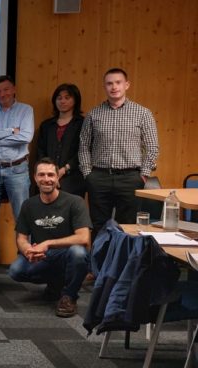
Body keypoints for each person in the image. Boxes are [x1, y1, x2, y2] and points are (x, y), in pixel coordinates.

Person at [79, 68, 159, 235]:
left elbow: (152, 147)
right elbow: (84, 146)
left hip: (130, 178)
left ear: (126, 85)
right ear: (104, 87)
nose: (114, 87)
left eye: (118, 82)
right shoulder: (93, 115)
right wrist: (88, 174)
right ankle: (100, 261)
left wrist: (143, 174)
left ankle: (123, 262)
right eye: (109, 83)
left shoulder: (143, 113)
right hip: (99, 178)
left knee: (127, 226)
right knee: (99, 225)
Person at [8, 158, 90, 318]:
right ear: (35, 178)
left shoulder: (74, 202)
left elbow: (84, 238)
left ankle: (69, 297)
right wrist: (28, 250)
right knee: (15, 270)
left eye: (51, 175)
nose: (46, 179)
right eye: (42, 175)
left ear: (57, 178)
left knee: (79, 253)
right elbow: (21, 238)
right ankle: (56, 284)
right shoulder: (28, 205)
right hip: (42, 257)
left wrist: (47, 243)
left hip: (67, 255)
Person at [0, 75, 34, 273]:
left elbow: (26, 136)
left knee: (21, 215)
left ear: (14, 89)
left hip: (17, 168)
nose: (2, 94)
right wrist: (11, 131)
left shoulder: (25, 110)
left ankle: (24, 256)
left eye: (5, 90)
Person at [37, 83, 86, 197]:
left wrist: (64, 169)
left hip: (73, 179)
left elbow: (84, 151)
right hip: (47, 178)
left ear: (75, 100)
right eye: (59, 98)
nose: (62, 101)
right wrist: (50, 172)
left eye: (67, 98)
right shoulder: (46, 125)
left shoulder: (83, 124)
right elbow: (41, 151)